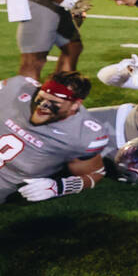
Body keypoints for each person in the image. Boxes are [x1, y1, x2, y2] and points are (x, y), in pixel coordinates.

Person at [0, 71, 108, 203]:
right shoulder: (16, 88)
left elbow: (95, 174)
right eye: (41, 97)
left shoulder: (82, 135)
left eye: (53, 102)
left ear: (75, 105)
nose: (42, 105)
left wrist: (59, 187)